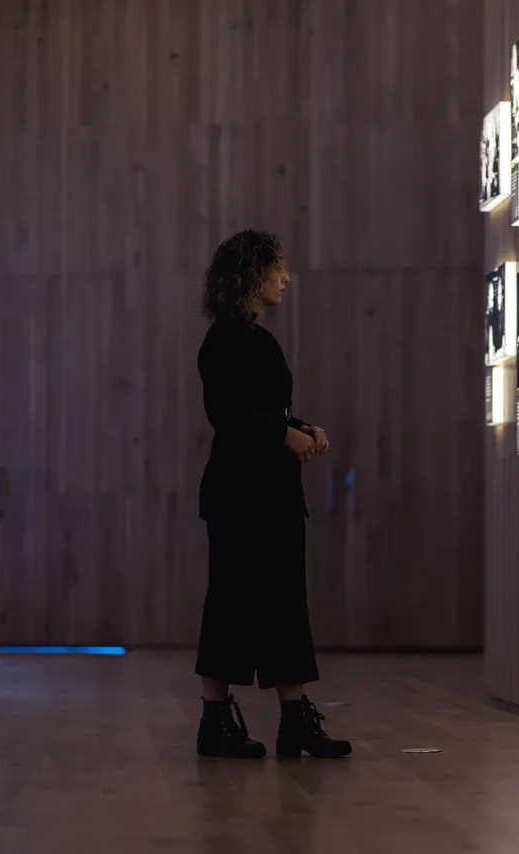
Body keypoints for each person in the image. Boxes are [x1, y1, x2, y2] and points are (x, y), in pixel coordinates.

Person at [193, 229, 352, 761]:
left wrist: (304, 426)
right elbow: (231, 415)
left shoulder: (257, 338)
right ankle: (214, 719)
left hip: (273, 491)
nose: (285, 278)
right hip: (240, 493)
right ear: (249, 276)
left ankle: (295, 719)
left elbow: (265, 409)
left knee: (286, 602)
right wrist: (284, 434)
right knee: (231, 602)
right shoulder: (222, 340)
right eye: (276, 268)